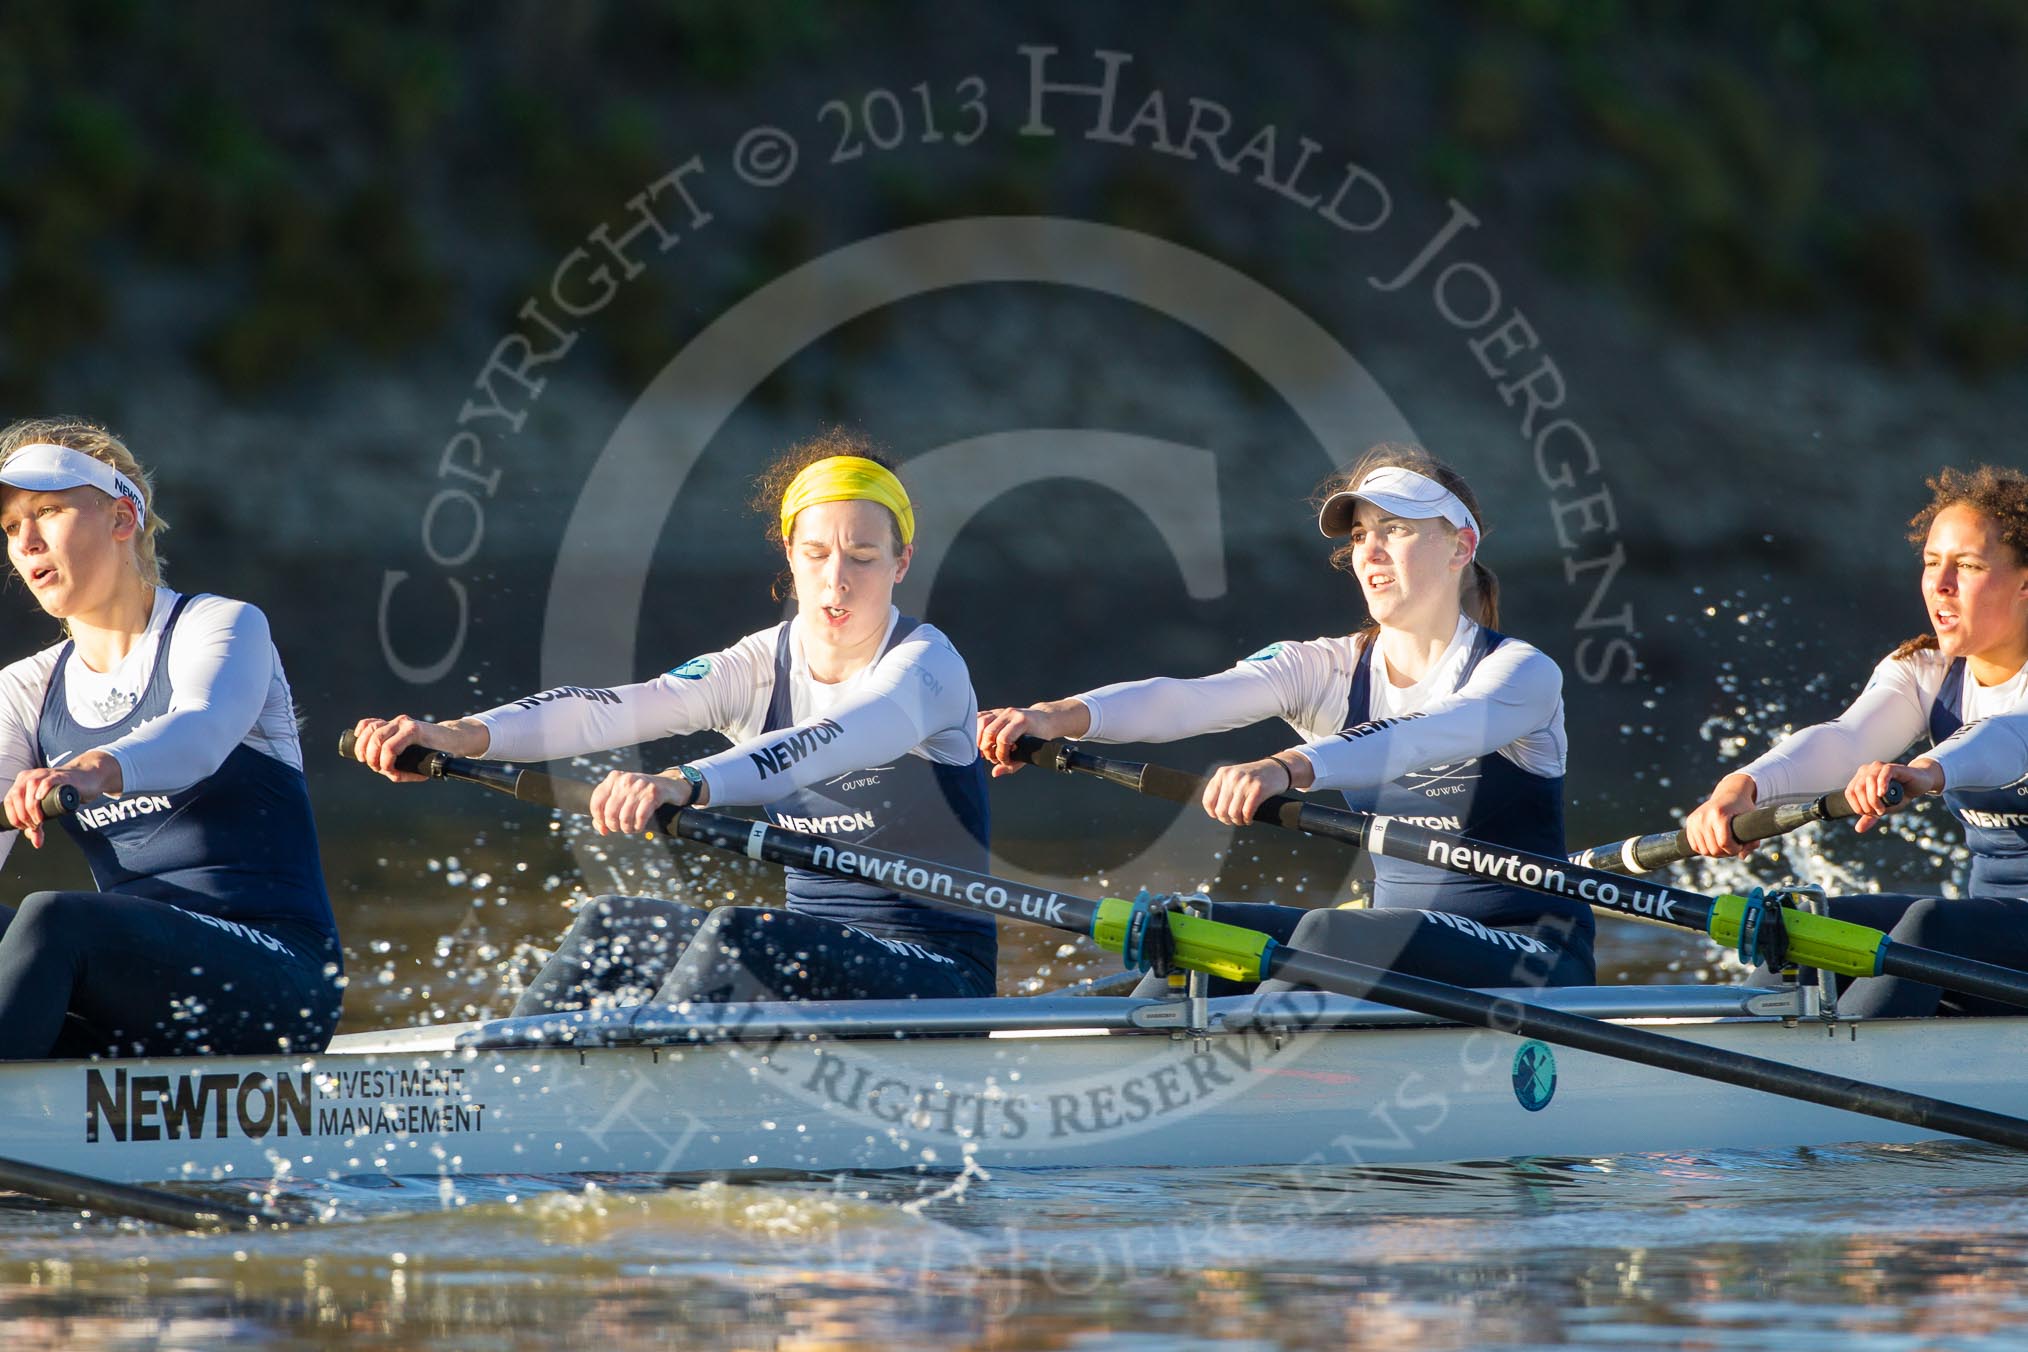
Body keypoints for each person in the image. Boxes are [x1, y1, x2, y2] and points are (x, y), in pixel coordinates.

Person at [351, 432, 995, 1012]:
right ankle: (509, 1090)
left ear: (901, 563)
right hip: (818, 953)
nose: (837, 580)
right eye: (817, 552)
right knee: (613, 928)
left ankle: (655, 1100)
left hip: (937, 973)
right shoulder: (756, 666)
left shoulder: (925, 667)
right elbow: (612, 707)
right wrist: (455, 735)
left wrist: (684, 781)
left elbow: (832, 739)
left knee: (739, 934)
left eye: (862, 556)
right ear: (790, 556)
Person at [979, 443, 1593, 995]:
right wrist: (1054, 716)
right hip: (1397, 949)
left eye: (1397, 529)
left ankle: (1258, 1093)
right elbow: (1187, 699)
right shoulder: (1325, 669)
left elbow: (1430, 730)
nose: (1371, 551)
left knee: (1332, 933)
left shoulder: (1520, 673)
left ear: (1461, 546)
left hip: (1529, 952)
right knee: (1185, 933)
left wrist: (1289, 766)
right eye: (1359, 536)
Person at [0, 420, 343, 1059]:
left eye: (45, 511)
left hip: (281, 976)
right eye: (12, 528)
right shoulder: (23, 689)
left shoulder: (223, 626)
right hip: (140, 992)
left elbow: (200, 734)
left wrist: (91, 770)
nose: (28, 541)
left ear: (123, 518)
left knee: (53, 917)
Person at [1685, 464, 2028, 1017]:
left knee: (1927, 928)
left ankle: (1847, 1078)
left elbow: (2010, 738)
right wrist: (1743, 787)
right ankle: (1731, 1064)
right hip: (2002, 935)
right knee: (1803, 928)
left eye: (1967, 566)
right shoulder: (1926, 669)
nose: (1940, 585)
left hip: (1990, 942)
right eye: (1930, 563)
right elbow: (1846, 740)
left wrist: (1925, 771)